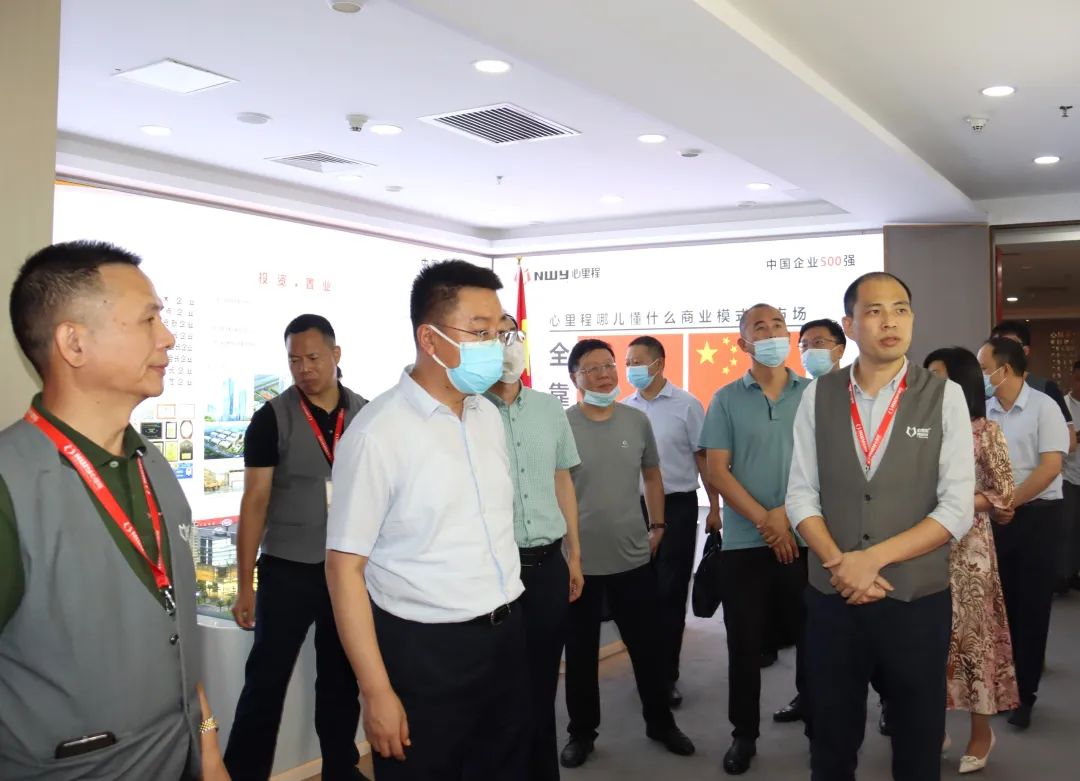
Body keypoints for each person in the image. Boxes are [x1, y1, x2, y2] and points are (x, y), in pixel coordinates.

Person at [0, 241, 227, 779]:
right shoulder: (11, 486)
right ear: (74, 343)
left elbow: (173, 628)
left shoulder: (153, 467)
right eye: (148, 319)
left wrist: (209, 747)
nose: (167, 337)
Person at [324, 260, 528, 780]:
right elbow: (344, 569)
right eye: (480, 332)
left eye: (499, 331)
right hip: (426, 651)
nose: (496, 345)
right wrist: (376, 690)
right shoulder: (377, 435)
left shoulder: (487, 416)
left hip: (506, 636)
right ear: (430, 339)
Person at [787, 271, 975, 781]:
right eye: (874, 310)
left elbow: (956, 507)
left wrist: (870, 560)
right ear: (849, 325)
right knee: (831, 739)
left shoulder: (944, 396)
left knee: (918, 740)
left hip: (915, 601)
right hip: (833, 598)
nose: (890, 321)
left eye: (900, 309)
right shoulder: (819, 395)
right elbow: (800, 495)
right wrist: (841, 565)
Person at [225, 315, 367, 781]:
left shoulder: (366, 414)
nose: (304, 368)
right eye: (294, 360)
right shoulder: (271, 418)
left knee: (341, 679)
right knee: (265, 683)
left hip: (347, 571)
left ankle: (341, 770)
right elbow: (255, 502)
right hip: (287, 570)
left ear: (335, 355)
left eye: (313, 357)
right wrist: (245, 585)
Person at [560, 339, 695, 769]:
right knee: (581, 654)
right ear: (574, 378)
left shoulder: (636, 421)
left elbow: (652, 475)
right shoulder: (562, 426)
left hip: (633, 557)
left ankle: (660, 723)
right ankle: (582, 733)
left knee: (648, 648)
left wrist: (658, 525)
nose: (604, 374)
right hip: (579, 563)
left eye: (609, 365)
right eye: (592, 368)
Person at [700, 304, 810, 775]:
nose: (770, 333)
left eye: (778, 325)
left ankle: (818, 722)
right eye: (759, 328)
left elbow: (825, 464)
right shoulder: (726, 399)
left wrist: (786, 516)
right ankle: (743, 735)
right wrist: (767, 521)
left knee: (814, 638)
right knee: (744, 646)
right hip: (745, 544)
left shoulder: (813, 394)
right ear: (742, 342)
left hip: (807, 536)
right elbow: (717, 470)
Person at [485, 313, 584, 781]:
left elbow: (562, 480)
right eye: (494, 335)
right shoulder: (468, 410)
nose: (507, 343)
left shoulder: (548, 409)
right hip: (494, 570)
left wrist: (575, 555)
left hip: (547, 565)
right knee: (500, 687)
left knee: (543, 681)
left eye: (512, 333)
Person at [924, 347, 1018, 774]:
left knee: (974, 643)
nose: (929, 384)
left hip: (970, 551)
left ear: (961, 382)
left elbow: (1004, 492)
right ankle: (934, 728)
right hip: (924, 547)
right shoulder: (920, 430)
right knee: (931, 641)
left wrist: (957, 502)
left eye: (937, 375)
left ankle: (982, 733)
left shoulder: (985, 430)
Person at [623, 335, 720, 708]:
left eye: (637, 361)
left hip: (678, 507)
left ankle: (667, 677)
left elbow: (703, 459)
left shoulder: (686, 405)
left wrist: (714, 506)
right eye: (628, 362)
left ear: (659, 364)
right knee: (639, 594)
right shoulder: (625, 408)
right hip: (633, 509)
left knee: (670, 591)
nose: (631, 368)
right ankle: (646, 672)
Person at [977, 336, 1068, 730]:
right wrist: (996, 505)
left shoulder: (1044, 407)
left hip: (1037, 518)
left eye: (985, 368)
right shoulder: (984, 410)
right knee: (998, 609)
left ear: (1006, 369)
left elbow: (1050, 467)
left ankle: (1025, 695)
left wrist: (1009, 502)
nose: (981, 376)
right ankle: (1001, 689)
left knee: (1031, 608)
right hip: (995, 518)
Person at [989, 320, 1076, 456]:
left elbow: (1070, 441)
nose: (999, 354)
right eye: (995, 347)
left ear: (1025, 351)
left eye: (1007, 347)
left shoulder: (1046, 389)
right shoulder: (986, 390)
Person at [1064, 360, 1080, 591]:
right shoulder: (1063, 406)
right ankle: (1064, 575)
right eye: (1078, 379)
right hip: (1068, 476)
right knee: (1068, 528)